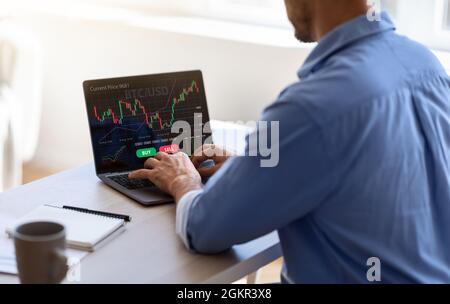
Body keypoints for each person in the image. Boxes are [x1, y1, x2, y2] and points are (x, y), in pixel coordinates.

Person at [129, 0, 450, 283]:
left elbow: (203, 230)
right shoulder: (425, 63)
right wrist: (257, 167)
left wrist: (183, 180)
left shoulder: (312, 106)